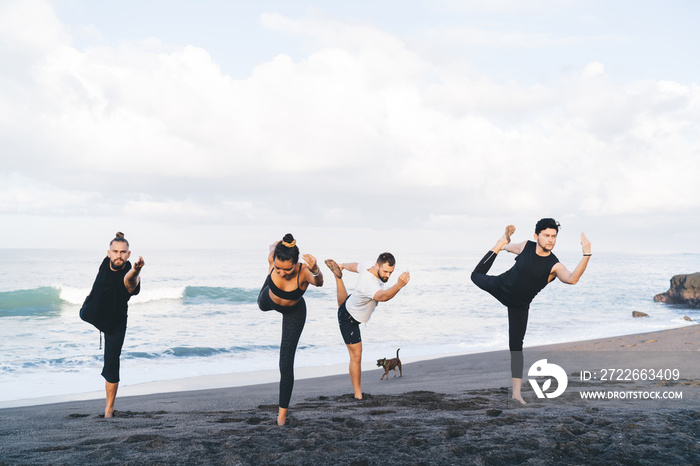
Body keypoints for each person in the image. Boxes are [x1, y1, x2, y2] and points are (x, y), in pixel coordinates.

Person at [471, 219, 591, 404]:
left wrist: (586, 254)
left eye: (553, 236)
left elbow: (572, 279)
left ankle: (516, 394)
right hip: (500, 286)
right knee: (475, 276)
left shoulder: (554, 265)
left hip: (519, 305)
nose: (550, 240)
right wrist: (504, 244)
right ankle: (498, 243)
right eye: (546, 235)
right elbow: (512, 248)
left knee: (516, 346)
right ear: (537, 236)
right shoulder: (527, 245)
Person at [257, 233, 323, 426]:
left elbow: (319, 283)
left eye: (287, 269)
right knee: (260, 303)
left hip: (294, 310)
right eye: (277, 268)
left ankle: (281, 417)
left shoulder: (303, 272)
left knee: (285, 363)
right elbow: (273, 254)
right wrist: (275, 247)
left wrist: (317, 270)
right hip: (269, 300)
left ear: (295, 263)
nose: (282, 272)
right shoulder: (272, 258)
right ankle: (274, 252)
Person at [324, 254, 410, 400]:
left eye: (391, 272)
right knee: (356, 356)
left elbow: (355, 265)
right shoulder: (370, 284)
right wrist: (398, 286)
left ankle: (338, 276)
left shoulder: (369, 265)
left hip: (351, 302)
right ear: (377, 266)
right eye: (385, 272)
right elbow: (383, 297)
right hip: (349, 320)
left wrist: (342, 265)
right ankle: (358, 395)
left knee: (343, 304)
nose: (388, 275)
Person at [80, 232, 144, 418]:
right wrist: (119, 235)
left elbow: (130, 281)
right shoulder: (105, 262)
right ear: (108, 253)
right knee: (83, 313)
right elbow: (116, 245)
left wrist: (137, 270)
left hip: (115, 323)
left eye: (123, 252)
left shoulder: (129, 273)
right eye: (115, 251)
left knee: (112, 363)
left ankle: (109, 409)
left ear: (129, 254)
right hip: (94, 312)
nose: (119, 255)